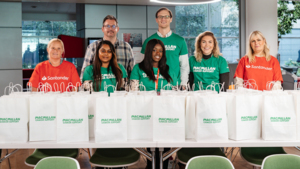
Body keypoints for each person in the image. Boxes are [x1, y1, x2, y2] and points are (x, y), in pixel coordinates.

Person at [141, 7, 189, 90]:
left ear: (171, 19)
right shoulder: (148, 41)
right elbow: (142, 64)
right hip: (153, 85)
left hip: (174, 86)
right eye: (160, 17)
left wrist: (183, 84)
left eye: (166, 16)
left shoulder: (180, 41)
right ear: (156, 19)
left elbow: (184, 66)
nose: (163, 19)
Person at [81, 15, 134, 81]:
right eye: (107, 26)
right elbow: (85, 73)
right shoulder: (92, 47)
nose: (110, 29)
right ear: (102, 29)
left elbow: (132, 73)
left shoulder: (127, 47)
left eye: (113, 26)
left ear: (117, 29)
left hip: (121, 90)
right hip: (98, 89)